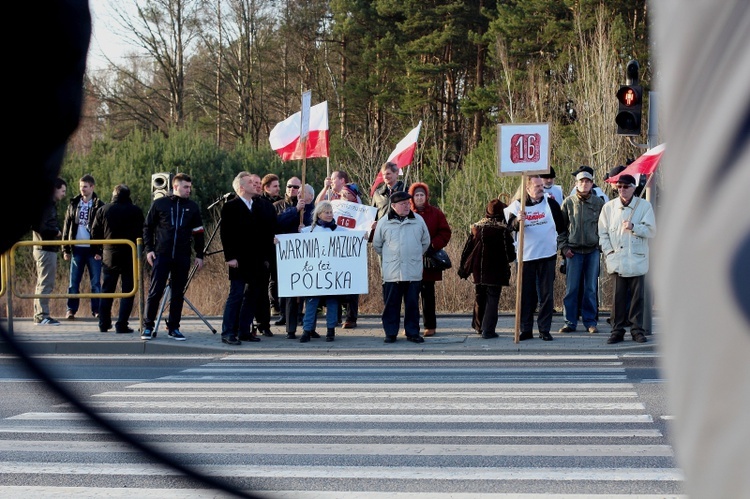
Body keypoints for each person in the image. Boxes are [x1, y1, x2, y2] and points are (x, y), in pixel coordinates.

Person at [141, 172, 205, 341]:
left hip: (182, 256)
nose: (188, 190)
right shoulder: (160, 204)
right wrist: (149, 249)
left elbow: (199, 232)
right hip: (162, 254)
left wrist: (199, 255)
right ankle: (147, 326)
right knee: (155, 291)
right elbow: (148, 227)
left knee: (178, 293)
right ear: (175, 187)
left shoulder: (193, 207)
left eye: (190, 187)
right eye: (185, 187)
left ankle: (174, 327)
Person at [219, 171, 277, 345]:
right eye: (251, 182)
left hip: (258, 259)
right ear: (242, 187)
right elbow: (226, 233)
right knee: (236, 294)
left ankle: (244, 330)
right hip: (239, 259)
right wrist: (229, 257)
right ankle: (228, 331)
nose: (255, 184)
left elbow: (265, 232)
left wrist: (267, 255)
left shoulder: (257, 206)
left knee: (253, 295)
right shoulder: (231, 206)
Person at [598, 174, 656, 345]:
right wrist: (609, 252)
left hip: (637, 258)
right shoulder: (608, 207)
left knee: (638, 298)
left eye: (626, 186)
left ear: (633, 187)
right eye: (619, 186)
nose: (622, 190)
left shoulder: (644, 206)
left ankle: (637, 330)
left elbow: (652, 231)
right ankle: (617, 330)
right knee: (618, 298)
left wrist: (634, 227)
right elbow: (603, 233)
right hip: (617, 259)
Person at [506, 175, 566, 341]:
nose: (541, 188)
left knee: (546, 295)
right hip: (526, 257)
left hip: (547, 255)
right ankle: (526, 329)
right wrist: (518, 221)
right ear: (527, 188)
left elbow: (561, 226)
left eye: (541, 185)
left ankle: (544, 329)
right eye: (537, 186)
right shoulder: (518, 205)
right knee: (526, 295)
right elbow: (509, 226)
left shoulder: (551, 203)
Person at [372, 191, 430, 343]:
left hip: (412, 270)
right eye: (403, 204)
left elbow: (425, 242)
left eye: (407, 203)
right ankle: (390, 333)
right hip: (392, 272)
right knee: (391, 305)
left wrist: (413, 254)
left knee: (412, 305)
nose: (407, 206)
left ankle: (412, 332)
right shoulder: (384, 222)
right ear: (394, 206)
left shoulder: (418, 220)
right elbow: (377, 245)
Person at [90, 184, 145, 334]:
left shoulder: (103, 210)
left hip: (109, 255)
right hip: (130, 254)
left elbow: (94, 232)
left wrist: (98, 249)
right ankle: (121, 324)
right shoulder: (135, 211)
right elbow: (142, 232)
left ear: (114, 194)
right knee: (128, 290)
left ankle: (103, 322)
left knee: (107, 290)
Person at [458, 199, 516, 339]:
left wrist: (463, 267)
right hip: (496, 269)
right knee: (493, 298)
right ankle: (488, 330)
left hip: (478, 269)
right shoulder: (502, 231)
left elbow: (467, 249)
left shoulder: (477, 228)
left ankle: (478, 326)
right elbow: (510, 254)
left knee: (480, 296)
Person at [557, 170, 605, 334]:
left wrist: (600, 245)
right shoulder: (568, 203)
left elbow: (604, 227)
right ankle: (569, 322)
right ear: (576, 183)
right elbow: (561, 229)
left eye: (587, 181)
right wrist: (564, 248)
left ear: (592, 184)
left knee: (590, 289)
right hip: (574, 252)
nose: (584, 184)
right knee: (572, 289)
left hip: (592, 251)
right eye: (581, 181)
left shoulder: (599, 203)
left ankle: (590, 322)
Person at [299, 201, 348, 342]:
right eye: (326, 212)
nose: (329, 215)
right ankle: (307, 330)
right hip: (315, 273)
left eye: (331, 212)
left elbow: (352, 241)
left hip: (332, 274)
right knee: (312, 302)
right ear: (319, 214)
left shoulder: (340, 230)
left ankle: (330, 330)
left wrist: (362, 238)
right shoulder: (308, 231)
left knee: (332, 302)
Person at [408, 182, 451, 336]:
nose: (419, 198)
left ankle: (430, 326)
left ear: (426, 197)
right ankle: (411, 326)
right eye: (416, 195)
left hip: (428, 259)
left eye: (422, 195)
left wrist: (433, 245)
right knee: (410, 296)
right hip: (410, 260)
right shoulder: (407, 213)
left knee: (428, 294)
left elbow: (445, 232)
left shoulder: (435, 213)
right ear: (412, 197)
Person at [274, 179, 314, 338]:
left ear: (311, 196)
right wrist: (296, 210)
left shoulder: (315, 210)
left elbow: (323, 227)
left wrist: (307, 229)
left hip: (310, 256)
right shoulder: (290, 208)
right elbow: (278, 224)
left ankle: (309, 327)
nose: (299, 195)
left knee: (310, 293)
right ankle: (290, 329)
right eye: (298, 193)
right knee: (291, 293)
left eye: (303, 193)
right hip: (291, 256)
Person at [62, 174, 104, 320]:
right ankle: (71, 310)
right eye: (81, 187)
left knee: (95, 283)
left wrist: (100, 250)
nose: (82, 189)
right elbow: (67, 226)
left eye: (85, 187)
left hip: (93, 250)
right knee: (74, 282)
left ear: (92, 187)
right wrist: (65, 249)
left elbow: (103, 230)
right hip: (77, 247)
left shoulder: (99, 205)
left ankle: (97, 310)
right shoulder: (74, 204)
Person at [31, 178, 68, 326]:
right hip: (45, 248)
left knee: (43, 282)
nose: (64, 194)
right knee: (46, 283)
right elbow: (40, 226)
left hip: (44, 248)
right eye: (62, 191)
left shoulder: (46, 205)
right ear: (55, 189)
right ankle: (41, 315)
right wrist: (57, 232)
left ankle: (40, 314)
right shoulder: (46, 206)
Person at [338, 183, 363, 328]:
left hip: (354, 252)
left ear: (354, 196)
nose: (344, 197)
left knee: (353, 285)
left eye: (347, 194)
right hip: (338, 250)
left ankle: (351, 317)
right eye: (342, 194)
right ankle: (335, 316)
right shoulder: (335, 208)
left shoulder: (361, 211)